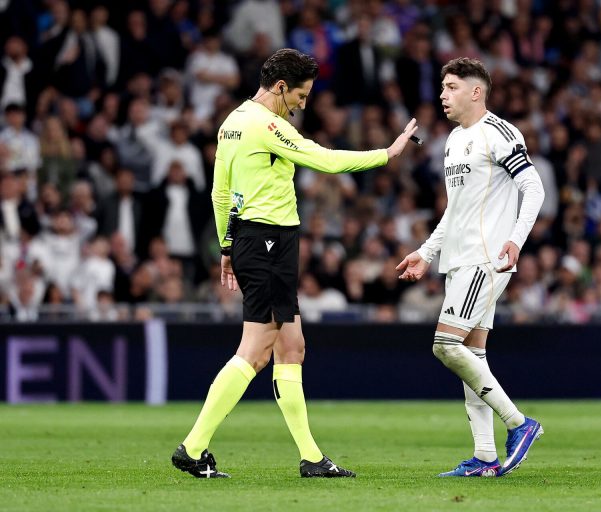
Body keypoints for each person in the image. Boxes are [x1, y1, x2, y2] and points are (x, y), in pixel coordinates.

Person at [171, 48, 418, 479]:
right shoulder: (266, 125)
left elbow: (220, 193)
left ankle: (311, 458)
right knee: (255, 351)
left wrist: (227, 245)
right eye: (300, 96)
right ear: (281, 87)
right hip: (266, 241)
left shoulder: (232, 122)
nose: (302, 105)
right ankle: (192, 448)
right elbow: (324, 160)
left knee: (292, 348)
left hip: (262, 241)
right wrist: (387, 153)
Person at [396, 58, 545, 477]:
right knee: (471, 355)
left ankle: (519, 423)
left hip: (487, 258)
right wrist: (426, 252)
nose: (442, 95)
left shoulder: (499, 132)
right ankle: (484, 457)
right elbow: (455, 210)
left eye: (451, 87)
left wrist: (516, 239)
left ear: (476, 92)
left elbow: (533, 188)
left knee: (445, 345)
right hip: (459, 260)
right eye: (443, 87)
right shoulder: (453, 140)